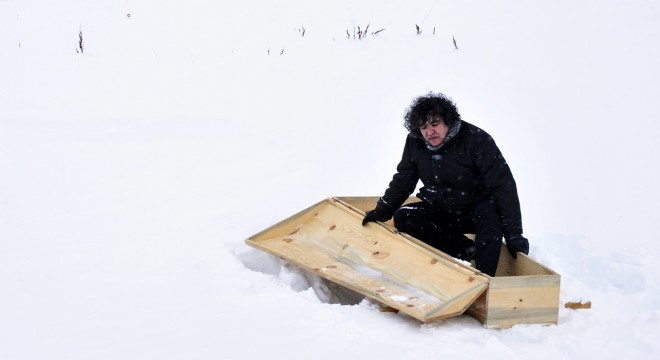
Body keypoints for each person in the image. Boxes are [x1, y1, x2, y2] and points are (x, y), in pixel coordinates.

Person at [361, 92, 529, 276]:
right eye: (423, 127)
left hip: (475, 208)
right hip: (440, 208)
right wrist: (382, 210)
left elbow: (503, 185)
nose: (429, 132)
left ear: (448, 121)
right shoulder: (415, 142)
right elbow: (404, 179)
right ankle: (465, 251)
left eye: (434, 124)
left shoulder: (477, 140)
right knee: (404, 216)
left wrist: (514, 234)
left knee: (491, 219)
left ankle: (484, 280)